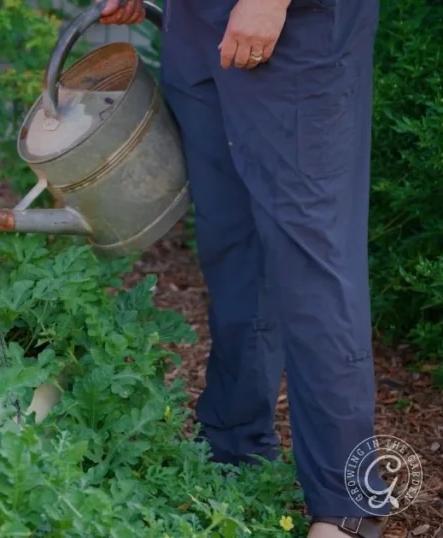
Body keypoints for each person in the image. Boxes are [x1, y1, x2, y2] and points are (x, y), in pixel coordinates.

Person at [94, 0, 387, 537]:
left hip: (295, 25)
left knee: (310, 255)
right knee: (233, 243)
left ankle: (348, 506)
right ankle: (235, 452)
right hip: (196, 23)